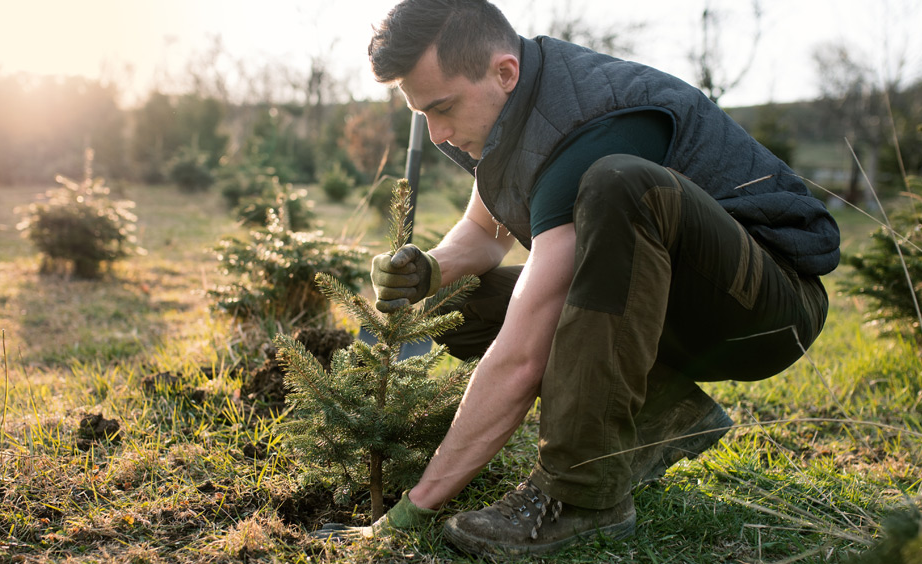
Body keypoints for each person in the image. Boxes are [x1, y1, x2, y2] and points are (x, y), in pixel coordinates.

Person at [333, 0, 840, 557]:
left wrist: (416, 506)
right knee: (458, 301)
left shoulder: (588, 124)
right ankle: (661, 412)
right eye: (421, 114)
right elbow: (483, 231)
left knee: (619, 182)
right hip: (668, 299)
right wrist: (430, 269)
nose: (436, 134)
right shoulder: (511, 106)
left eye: (443, 107)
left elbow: (522, 352)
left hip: (764, 306)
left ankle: (580, 497)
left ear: (504, 71)